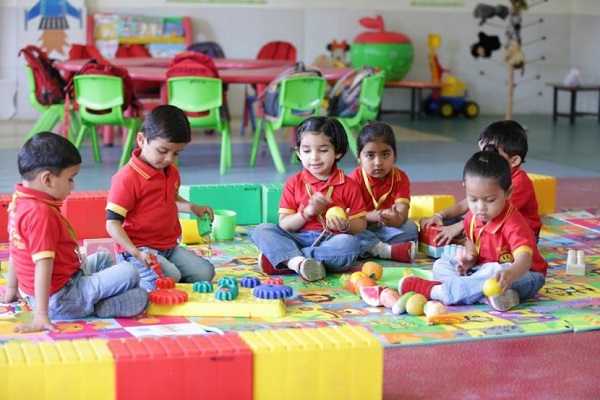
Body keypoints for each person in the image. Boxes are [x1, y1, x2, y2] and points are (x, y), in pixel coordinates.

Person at [3, 132, 148, 333]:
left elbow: (16, 248)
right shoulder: (40, 214)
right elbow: (43, 266)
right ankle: (96, 305)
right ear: (47, 179)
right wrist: (42, 316)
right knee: (131, 272)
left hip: (59, 284)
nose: (73, 186)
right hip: (61, 298)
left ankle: (99, 299)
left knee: (104, 258)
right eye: (70, 179)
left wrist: (12, 289)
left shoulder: (19, 200)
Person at [399, 150, 547, 311]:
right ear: (466, 189)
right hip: (482, 271)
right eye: (473, 199)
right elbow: (471, 240)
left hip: (523, 275)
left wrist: (510, 274)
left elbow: (525, 258)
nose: (480, 207)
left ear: (508, 193)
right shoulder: (473, 215)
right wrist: (470, 257)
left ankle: (438, 291)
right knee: (442, 264)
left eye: (490, 200)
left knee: (496, 269)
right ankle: (485, 295)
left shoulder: (513, 223)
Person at [106, 105, 215, 290]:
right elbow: (112, 224)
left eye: (176, 153)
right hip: (137, 250)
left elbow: (171, 199)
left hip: (169, 247)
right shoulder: (126, 179)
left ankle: (160, 275)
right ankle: (127, 273)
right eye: (162, 151)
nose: (169, 159)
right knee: (171, 276)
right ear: (141, 140)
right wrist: (135, 253)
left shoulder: (171, 172)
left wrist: (193, 208)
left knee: (206, 273)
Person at [251, 116, 367, 281]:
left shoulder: (349, 185)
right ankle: (300, 262)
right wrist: (306, 213)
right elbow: (285, 224)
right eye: (307, 151)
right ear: (298, 152)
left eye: (323, 150)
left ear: (338, 151)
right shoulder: (293, 183)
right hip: (297, 238)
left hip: (331, 240)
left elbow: (361, 225)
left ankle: (289, 260)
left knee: (349, 245)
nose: (314, 157)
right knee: (262, 230)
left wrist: (346, 225)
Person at [420, 120, 541, 245]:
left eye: (494, 154)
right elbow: (465, 204)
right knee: (447, 222)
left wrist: (456, 229)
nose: (488, 158)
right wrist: (440, 215)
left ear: (514, 161)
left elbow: (494, 214)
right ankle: (464, 240)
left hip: (520, 233)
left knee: (459, 228)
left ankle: (467, 242)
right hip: (488, 220)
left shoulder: (519, 182)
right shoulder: (492, 175)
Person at [348, 121, 418, 263]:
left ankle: (371, 247)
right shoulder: (354, 179)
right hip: (362, 227)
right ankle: (383, 249)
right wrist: (372, 216)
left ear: (395, 155)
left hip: (385, 228)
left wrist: (397, 217)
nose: (378, 162)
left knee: (410, 228)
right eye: (370, 156)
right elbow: (349, 217)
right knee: (347, 234)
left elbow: (403, 212)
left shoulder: (400, 177)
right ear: (359, 157)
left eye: (385, 155)